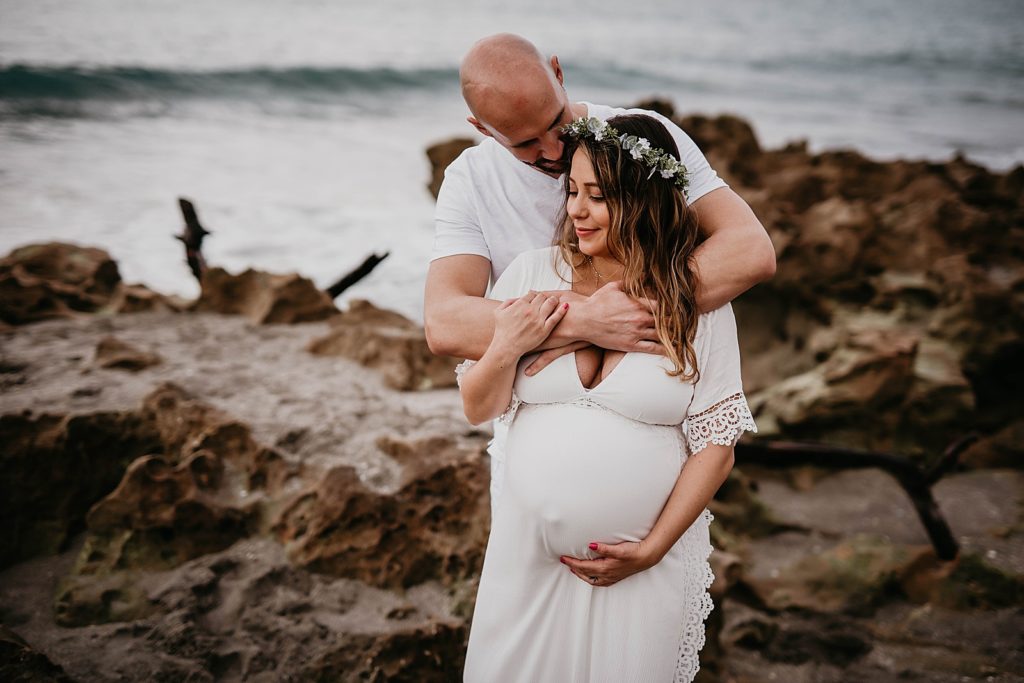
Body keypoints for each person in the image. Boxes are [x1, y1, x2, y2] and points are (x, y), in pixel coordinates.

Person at [457, 114, 756, 682]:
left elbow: (717, 445)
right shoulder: (529, 276)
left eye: (599, 196)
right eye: (572, 190)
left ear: (645, 200)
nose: (576, 209)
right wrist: (507, 344)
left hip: (640, 569)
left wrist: (652, 550)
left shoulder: (694, 301)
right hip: (526, 562)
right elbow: (478, 407)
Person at [424, 33, 774, 513]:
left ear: (559, 73)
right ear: (482, 129)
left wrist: (619, 310)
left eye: (555, 122)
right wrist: (584, 322)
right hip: (531, 465)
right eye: (525, 143)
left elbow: (749, 250)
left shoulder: (641, 137)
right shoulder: (470, 181)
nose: (554, 148)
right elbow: (444, 322)